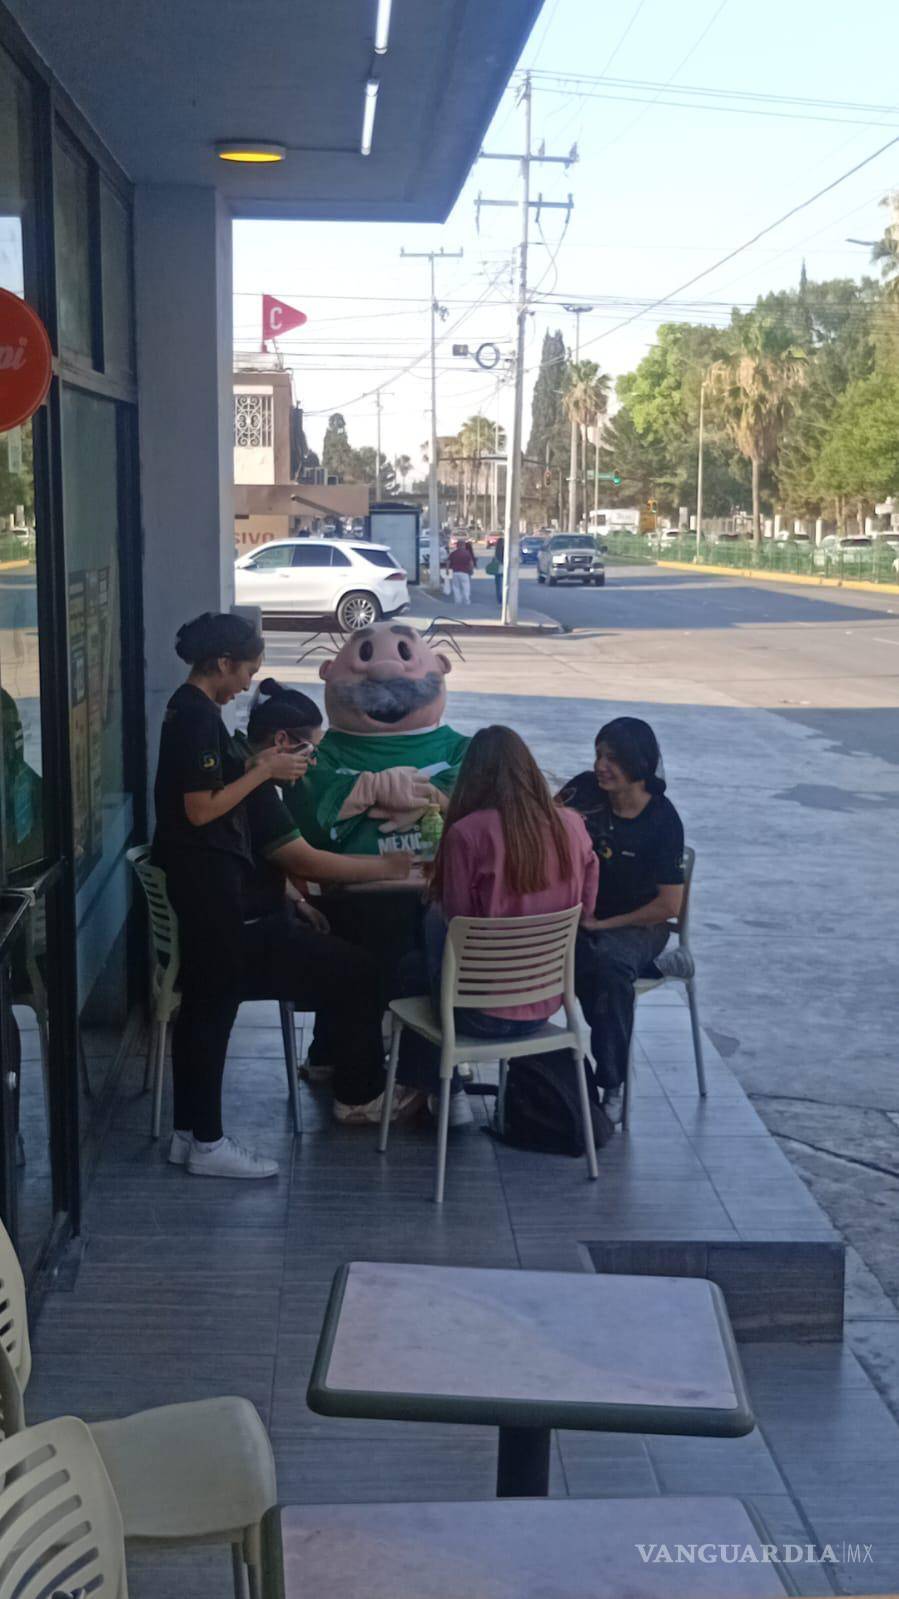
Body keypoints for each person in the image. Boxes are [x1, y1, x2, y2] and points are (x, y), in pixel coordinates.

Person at [152, 613, 418, 1180]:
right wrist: (264, 772)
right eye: (246, 668)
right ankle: (209, 1140)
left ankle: (188, 1135)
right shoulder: (197, 717)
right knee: (214, 1013)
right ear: (223, 663)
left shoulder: (193, 712)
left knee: (204, 1011)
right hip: (217, 899)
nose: (248, 681)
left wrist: (255, 768)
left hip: (217, 897)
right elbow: (199, 808)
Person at [395, 725, 597, 1126]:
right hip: (546, 1006)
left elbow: (456, 919)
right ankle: (437, 1090)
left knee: (411, 961)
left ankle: (443, 1091)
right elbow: (585, 910)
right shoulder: (573, 825)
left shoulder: (466, 834)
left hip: (476, 1013)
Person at [557, 717, 689, 1125]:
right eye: (598, 755)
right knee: (561, 958)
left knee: (611, 969)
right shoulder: (583, 790)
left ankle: (610, 1082)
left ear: (640, 764)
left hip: (638, 923)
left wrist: (602, 925)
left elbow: (669, 905)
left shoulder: (663, 822)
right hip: (579, 914)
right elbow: (541, 823)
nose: (601, 766)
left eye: (612, 758)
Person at [448, 540, 475, 606]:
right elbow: (471, 563)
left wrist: (446, 570)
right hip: (465, 573)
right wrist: (471, 570)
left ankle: (457, 601)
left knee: (456, 587)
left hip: (455, 573)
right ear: (463, 546)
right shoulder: (467, 553)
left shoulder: (453, 553)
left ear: (457, 546)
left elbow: (448, 562)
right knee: (466, 587)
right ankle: (466, 600)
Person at [491, 539, 505, 604]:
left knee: (498, 584)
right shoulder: (505, 551)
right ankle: (503, 597)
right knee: (503, 584)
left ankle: (499, 598)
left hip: (497, 570)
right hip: (503, 569)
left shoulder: (496, 552)